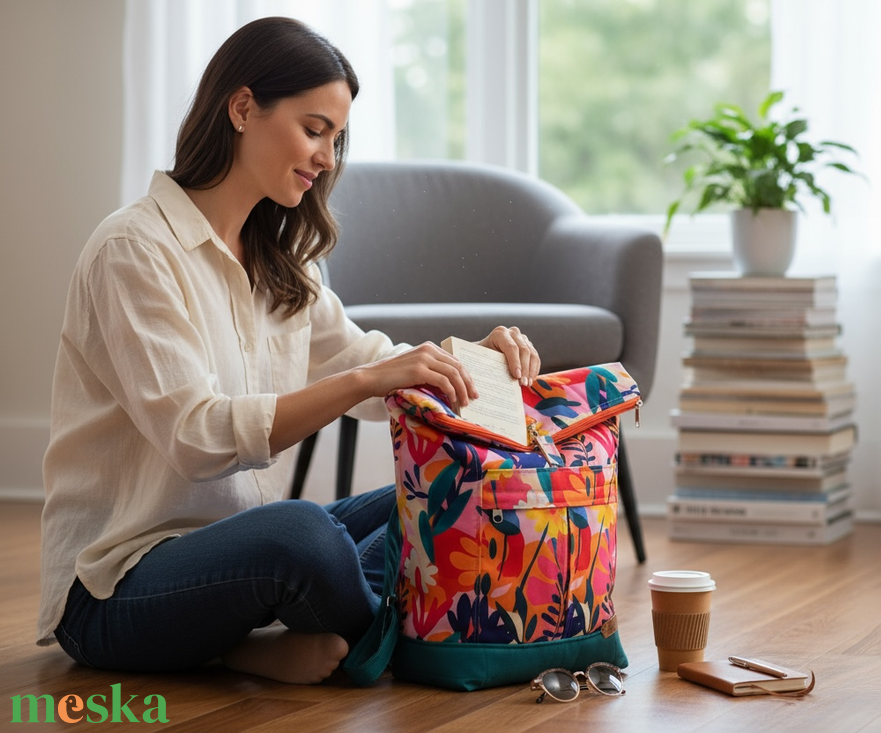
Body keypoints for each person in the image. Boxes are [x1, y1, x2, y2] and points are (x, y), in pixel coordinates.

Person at [37, 16, 540, 685]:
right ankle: (402, 638)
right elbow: (196, 436)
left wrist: (475, 358)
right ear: (243, 108)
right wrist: (366, 377)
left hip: (242, 555)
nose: (328, 157)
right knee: (302, 536)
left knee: (436, 497)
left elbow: (374, 359)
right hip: (116, 585)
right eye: (314, 129)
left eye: (336, 137)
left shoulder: (281, 260)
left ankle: (254, 640)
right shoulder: (134, 250)